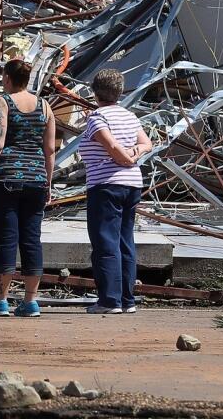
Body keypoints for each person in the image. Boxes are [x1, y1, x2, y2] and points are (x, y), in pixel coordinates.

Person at [0, 58, 56, 318]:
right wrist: (48, 182)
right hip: (36, 179)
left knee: (7, 239)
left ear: (7, 78)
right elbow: (50, 149)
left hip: (6, 178)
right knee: (31, 239)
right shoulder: (45, 105)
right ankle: (31, 302)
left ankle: (2, 301)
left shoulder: (3, 101)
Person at [78, 67, 153, 314]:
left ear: (95, 92)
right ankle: (127, 299)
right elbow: (146, 143)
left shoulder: (97, 117)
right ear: (120, 91)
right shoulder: (129, 116)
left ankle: (109, 300)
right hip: (132, 184)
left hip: (106, 183)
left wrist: (126, 158)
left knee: (105, 242)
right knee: (125, 241)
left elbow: (109, 144)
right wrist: (135, 154)